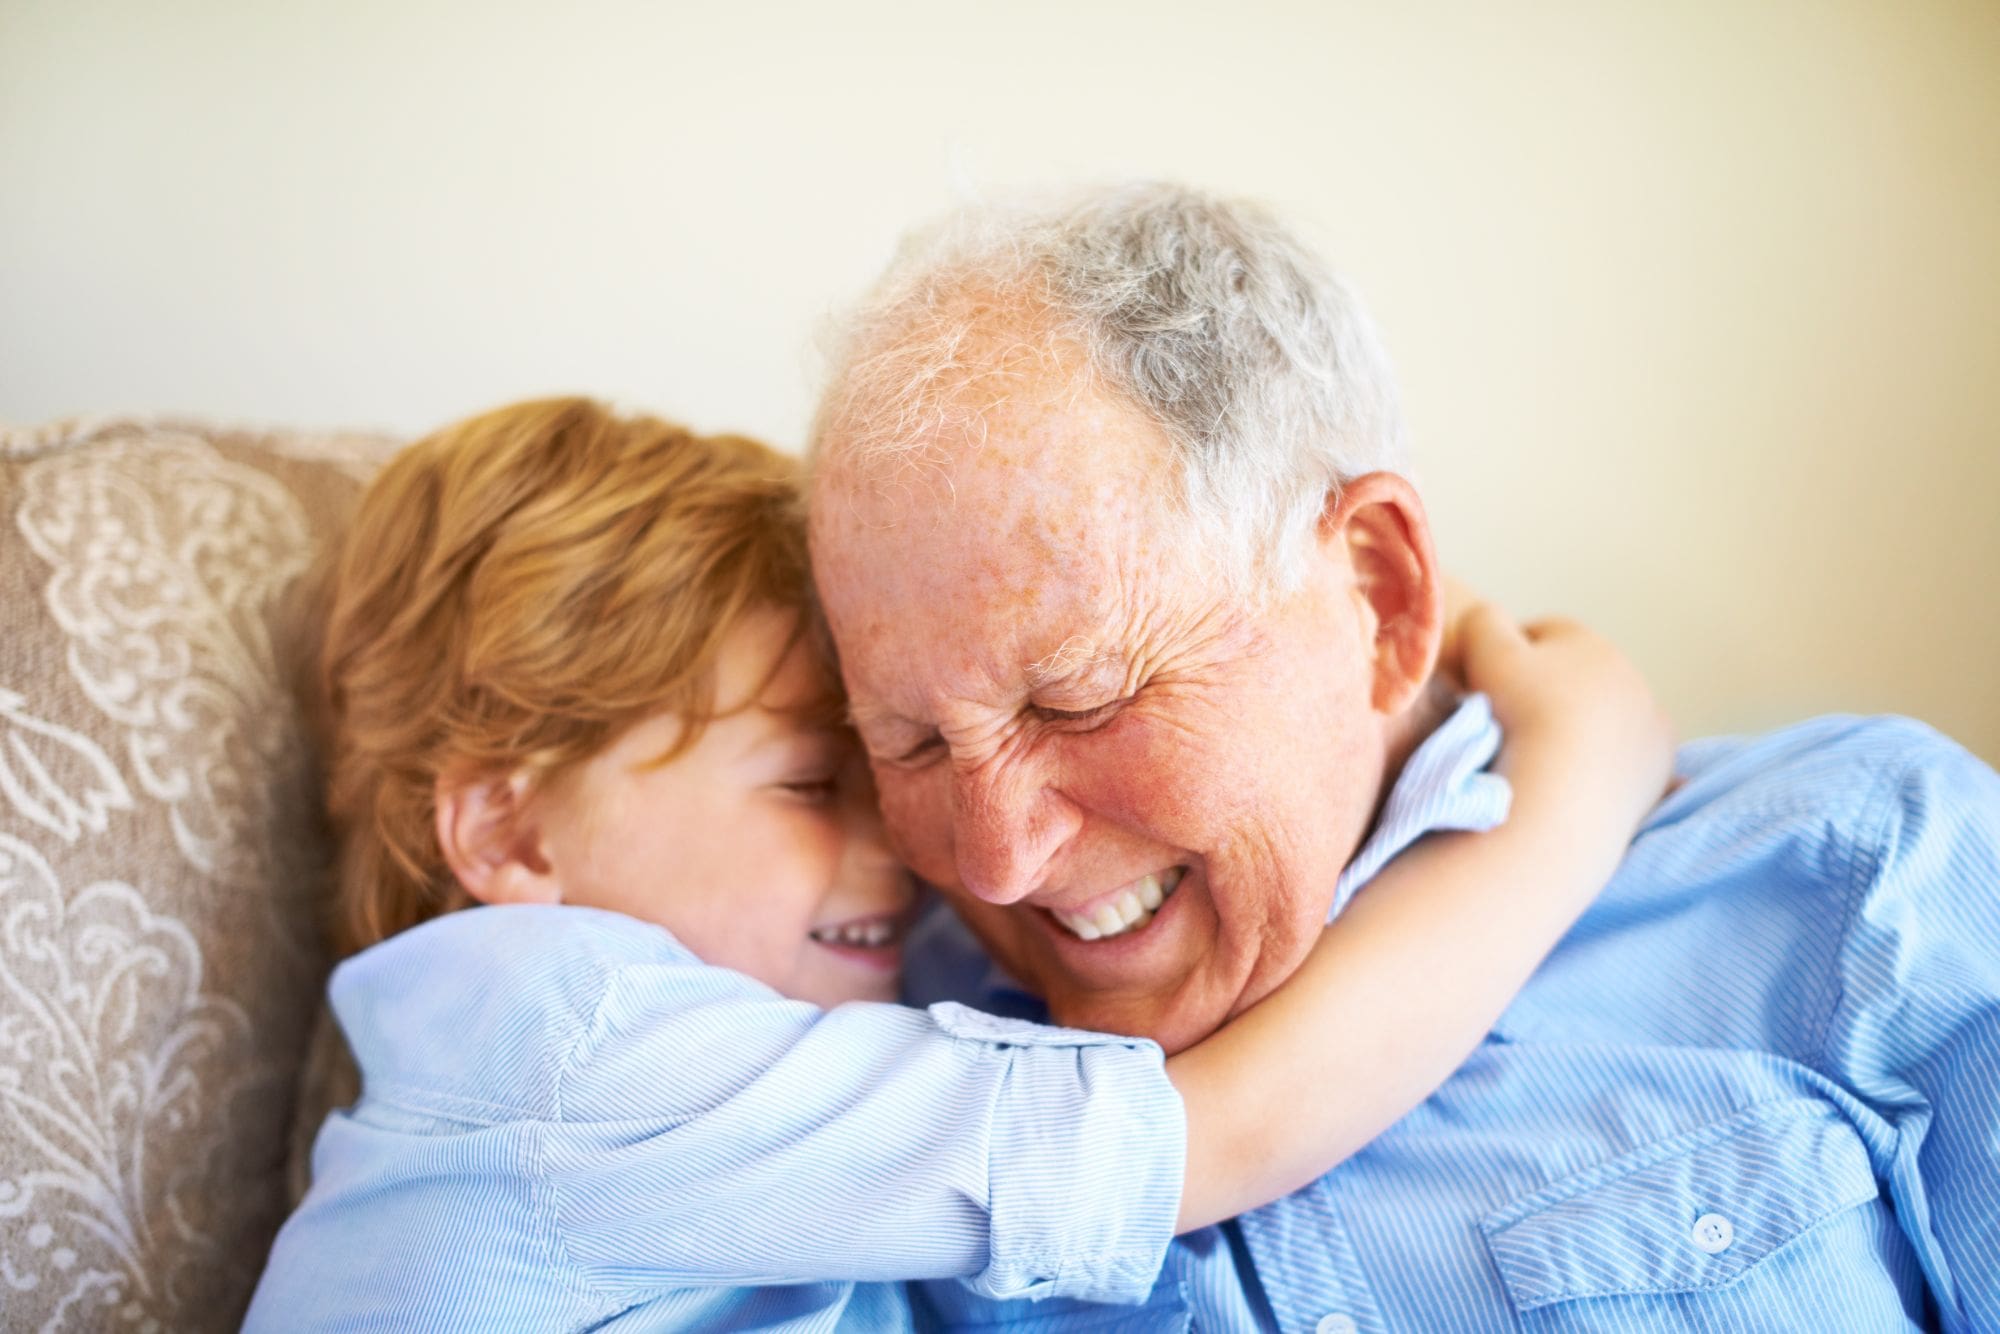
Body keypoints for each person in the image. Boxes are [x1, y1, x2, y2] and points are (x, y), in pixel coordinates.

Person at [807, 182, 2000, 1331]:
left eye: (1077, 699)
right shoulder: (879, 1042)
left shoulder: (1865, 867)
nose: (998, 859)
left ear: (1376, 594)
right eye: (907, 739)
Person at [245, 397, 1668, 1330]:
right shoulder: (571, 1045)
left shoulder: (596, 1058)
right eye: (812, 781)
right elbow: (1210, 1135)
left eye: (886, 768)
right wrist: (1569, 793)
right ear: (508, 834)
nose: (907, 851)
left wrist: (1337, 609)